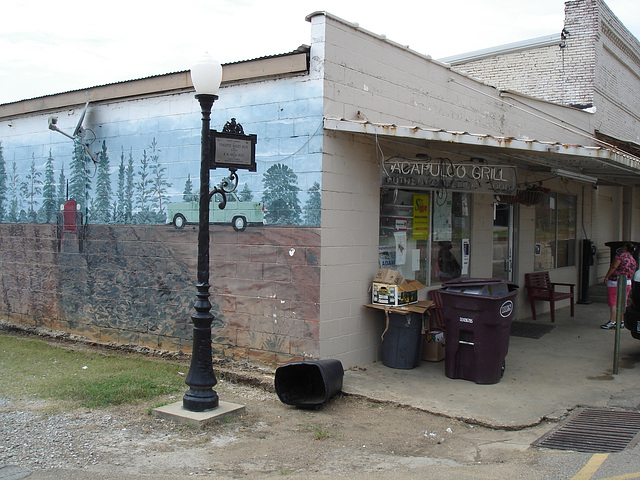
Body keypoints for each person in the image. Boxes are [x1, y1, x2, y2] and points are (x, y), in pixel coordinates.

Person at [601, 243, 637, 329]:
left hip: (615, 281)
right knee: (623, 302)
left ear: (625, 248)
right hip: (627, 281)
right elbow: (632, 272)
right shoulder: (633, 260)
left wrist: (607, 276)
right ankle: (621, 321)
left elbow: (613, 267)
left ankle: (612, 321)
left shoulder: (620, 256)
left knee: (613, 302)